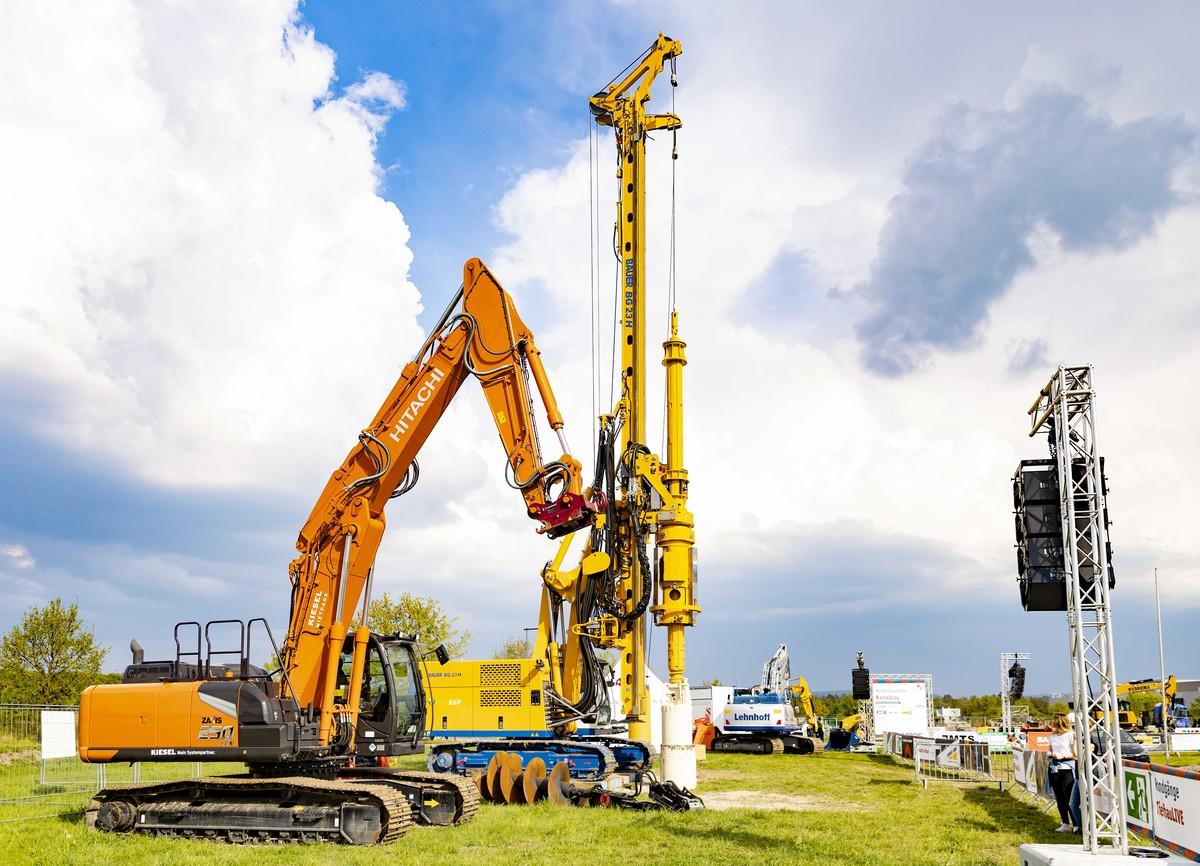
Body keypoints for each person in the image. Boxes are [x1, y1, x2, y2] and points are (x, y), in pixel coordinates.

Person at [1047, 712, 1078, 833]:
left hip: (1067, 768)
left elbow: (1075, 754)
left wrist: (1063, 756)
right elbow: (1050, 750)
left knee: (1069, 797)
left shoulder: (1071, 735)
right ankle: (1065, 822)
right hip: (1054, 768)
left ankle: (1076, 823)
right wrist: (1049, 755)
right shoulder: (1052, 736)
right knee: (1059, 797)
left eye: (1054, 722)